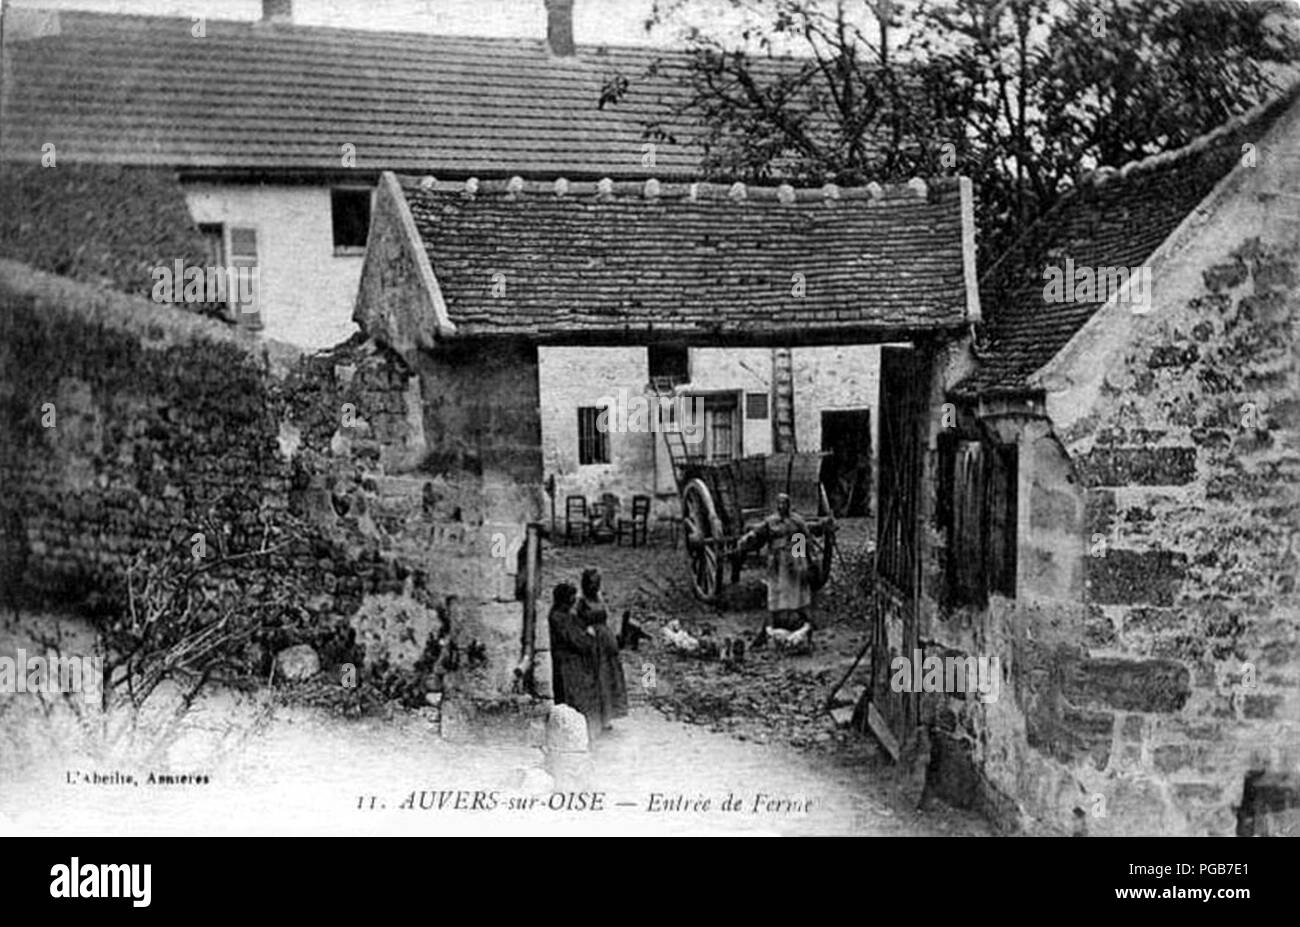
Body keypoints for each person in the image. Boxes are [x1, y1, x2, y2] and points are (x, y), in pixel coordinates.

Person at [740, 492, 814, 643]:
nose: (782, 507)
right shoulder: (771, 521)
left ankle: (801, 625)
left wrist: (799, 561)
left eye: (784, 503)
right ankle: (772, 625)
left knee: (796, 592)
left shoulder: (796, 521)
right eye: (779, 504)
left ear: (789, 505)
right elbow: (759, 532)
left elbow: (803, 539)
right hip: (776, 562)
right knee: (776, 593)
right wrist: (749, 537)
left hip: (792, 560)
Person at [575, 568, 629, 732]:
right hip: (593, 645)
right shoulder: (581, 602)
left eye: (597, 583)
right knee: (597, 679)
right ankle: (596, 716)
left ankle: (608, 716)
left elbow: (607, 618)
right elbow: (577, 623)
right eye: (592, 583)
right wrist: (586, 630)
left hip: (606, 642)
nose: (595, 586)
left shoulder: (600, 598)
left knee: (610, 678)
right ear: (585, 584)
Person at [547, 582, 600, 722]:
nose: (574, 600)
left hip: (573, 661)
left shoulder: (567, 615)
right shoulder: (558, 617)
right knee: (569, 694)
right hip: (567, 662)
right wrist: (589, 638)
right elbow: (575, 639)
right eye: (572, 597)